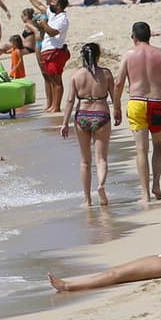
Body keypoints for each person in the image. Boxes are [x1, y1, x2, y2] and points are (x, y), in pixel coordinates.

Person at [118, 20, 161, 204]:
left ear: (133, 37)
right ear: (149, 36)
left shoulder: (129, 56)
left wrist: (115, 107)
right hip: (157, 103)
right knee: (159, 146)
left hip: (137, 102)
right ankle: (157, 185)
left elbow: (119, 82)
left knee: (141, 150)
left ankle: (145, 194)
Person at [59, 42, 122, 208]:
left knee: (85, 162)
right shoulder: (106, 74)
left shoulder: (76, 75)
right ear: (98, 56)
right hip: (101, 114)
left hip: (82, 116)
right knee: (101, 159)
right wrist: (117, 111)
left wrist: (64, 123)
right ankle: (101, 185)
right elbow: (115, 96)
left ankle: (87, 200)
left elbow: (70, 100)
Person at [23, 0, 71, 114]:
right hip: (47, 50)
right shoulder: (52, 13)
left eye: (54, 2)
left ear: (59, 6)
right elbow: (39, 5)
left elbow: (53, 32)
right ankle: (52, 105)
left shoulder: (63, 19)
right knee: (50, 78)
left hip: (56, 51)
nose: (51, 4)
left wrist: (43, 23)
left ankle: (56, 106)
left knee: (56, 80)